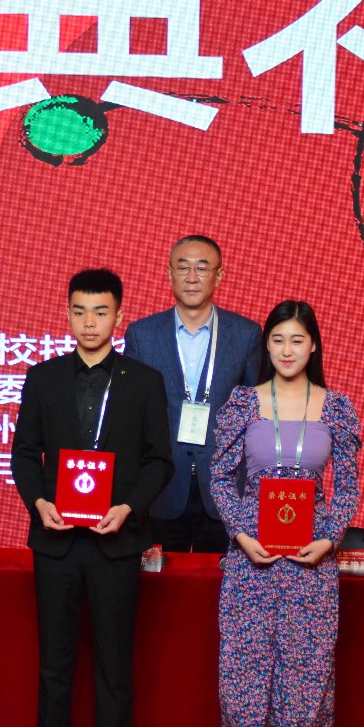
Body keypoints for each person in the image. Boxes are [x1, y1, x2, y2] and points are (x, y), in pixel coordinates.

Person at [10, 268, 172, 727]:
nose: (89, 322)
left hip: (115, 542)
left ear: (119, 316)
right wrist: (39, 502)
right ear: (67, 314)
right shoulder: (43, 377)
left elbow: (158, 461)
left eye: (101, 312)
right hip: (56, 541)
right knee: (54, 666)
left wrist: (129, 508)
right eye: (79, 311)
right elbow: (24, 454)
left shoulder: (144, 381)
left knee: (114, 668)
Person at [210, 300, 360, 727]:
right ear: (266, 346)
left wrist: (330, 538)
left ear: (313, 345)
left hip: (310, 559)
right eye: (278, 340)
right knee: (250, 661)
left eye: (297, 340)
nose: (287, 350)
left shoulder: (334, 407)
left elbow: (347, 488)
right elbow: (220, 479)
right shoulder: (243, 403)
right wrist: (241, 533)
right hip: (252, 557)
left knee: (303, 663)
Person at [122, 235, 261, 553]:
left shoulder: (246, 335)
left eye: (202, 267)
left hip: (226, 491)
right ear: (169, 273)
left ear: (219, 275)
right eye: (183, 267)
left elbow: (257, 416)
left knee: (219, 581)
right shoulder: (142, 335)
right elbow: (130, 416)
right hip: (161, 489)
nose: (192, 277)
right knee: (160, 583)